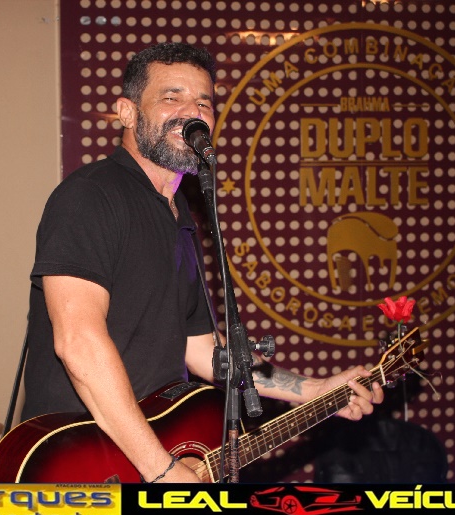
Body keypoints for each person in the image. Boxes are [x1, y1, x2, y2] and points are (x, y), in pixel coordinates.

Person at [20, 42, 384, 483]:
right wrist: (160, 467)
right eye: (171, 97)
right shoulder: (91, 197)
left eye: (204, 103)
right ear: (127, 112)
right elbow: (79, 341)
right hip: (80, 464)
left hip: (148, 453)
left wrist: (314, 390)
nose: (192, 113)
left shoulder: (178, 215)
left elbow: (202, 350)